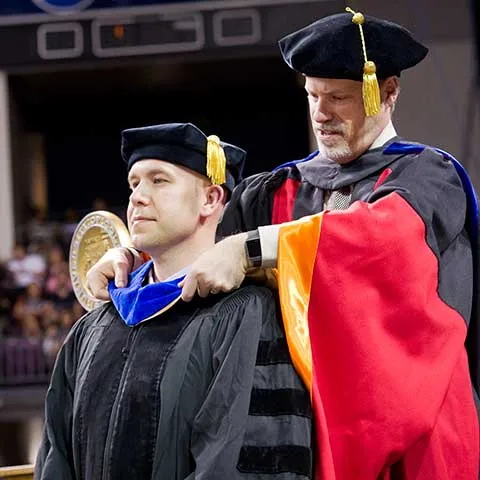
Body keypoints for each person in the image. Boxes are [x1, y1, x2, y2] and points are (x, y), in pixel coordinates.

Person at [85, 9, 479, 480]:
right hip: (308, 436)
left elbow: (381, 238)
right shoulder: (278, 189)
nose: (321, 113)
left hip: (421, 438)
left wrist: (252, 249)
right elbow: (200, 243)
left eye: (339, 97)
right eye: (313, 94)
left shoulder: (427, 177)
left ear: (388, 91)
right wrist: (132, 257)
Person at [35, 123, 313, 479]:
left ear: (210, 199)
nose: (137, 196)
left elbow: (246, 463)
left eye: (159, 180)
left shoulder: (245, 314)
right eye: (134, 183)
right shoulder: (94, 327)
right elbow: (55, 456)